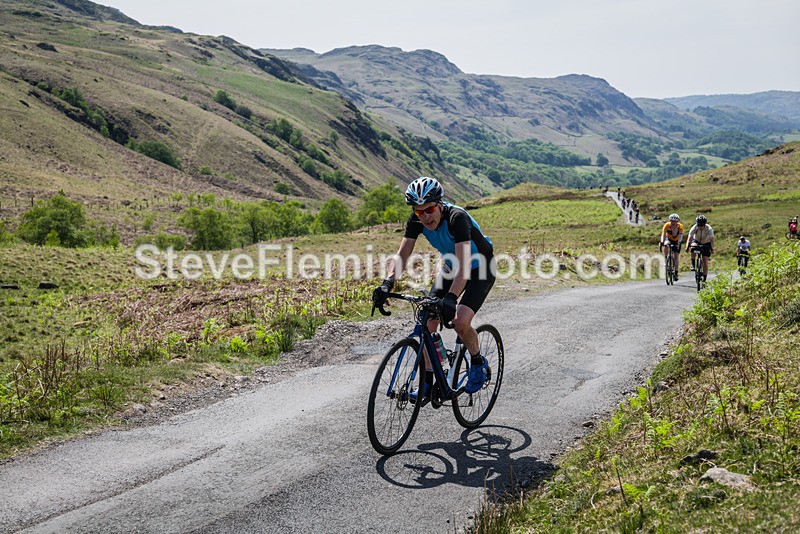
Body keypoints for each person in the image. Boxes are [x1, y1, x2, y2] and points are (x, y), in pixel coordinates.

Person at [372, 177, 495, 403]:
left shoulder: (457, 218)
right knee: (427, 322)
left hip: (481, 267)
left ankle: (478, 362)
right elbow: (402, 255)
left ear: (439, 205)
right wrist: (387, 282)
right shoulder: (417, 220)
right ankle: (427, 382)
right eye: (419, 212)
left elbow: (465, 265)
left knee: (460, 321)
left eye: (429, 210)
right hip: (453, 266)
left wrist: (451, 298)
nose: (426, 217)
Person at [686, 214, 715, 282]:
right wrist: (687, 246)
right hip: (697, 241)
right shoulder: (694, 227)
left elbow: (712, 239)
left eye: (702, 225)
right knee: (693, 246)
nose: (700, 227)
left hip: (706, 242)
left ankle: (704, 277)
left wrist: (712, 248)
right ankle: (693, 263)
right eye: (699, 225)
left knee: (705, 260)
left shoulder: (709, 228)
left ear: (705, 224)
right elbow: (690, 238)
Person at [660, 214, 683, 280]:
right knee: (666, 244)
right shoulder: (667, 225)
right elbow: (663, 234)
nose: (673, 223)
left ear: (677, 221)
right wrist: (662, 242)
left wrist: (678, 243)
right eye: (672, 221)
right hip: (669, 239)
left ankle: (676, 272)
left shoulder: (680, 226)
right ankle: (666, 258)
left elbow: (680, 236)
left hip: (677, 240)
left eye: (675, 221)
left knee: (676, 256)